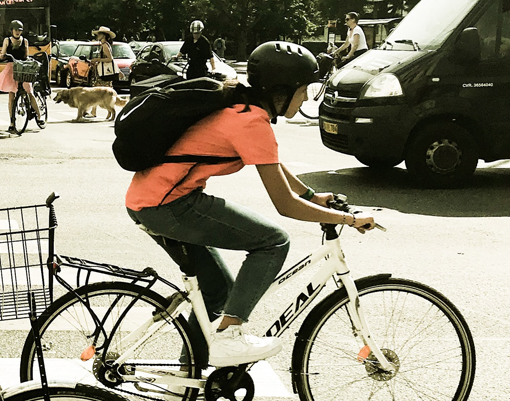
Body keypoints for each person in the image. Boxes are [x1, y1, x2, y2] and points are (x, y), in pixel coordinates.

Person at [125, 41, 375, 367]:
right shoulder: (251, 122)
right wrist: (348, 220)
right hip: (169, 205)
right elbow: (284, 205)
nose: (303, 100)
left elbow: (269, 160)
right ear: (280, 92)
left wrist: (311, 196)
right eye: (302, 91)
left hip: (149, 200)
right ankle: (229, 337)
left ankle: (189, 379)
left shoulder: (241, 107)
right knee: (273, 241)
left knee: (218, 293)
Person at [0, 20, 44, 133]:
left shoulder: (25, 41)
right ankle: (12, 122)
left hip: (22, 68)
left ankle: (39, 117)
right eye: (16, 30)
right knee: (11, 95)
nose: (17, 32)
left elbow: (26, 55)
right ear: (12, 30)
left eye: (19, 30)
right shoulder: (7, 40)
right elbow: (3, 53)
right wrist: (1, 55)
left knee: (29, 91)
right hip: (11, 68)